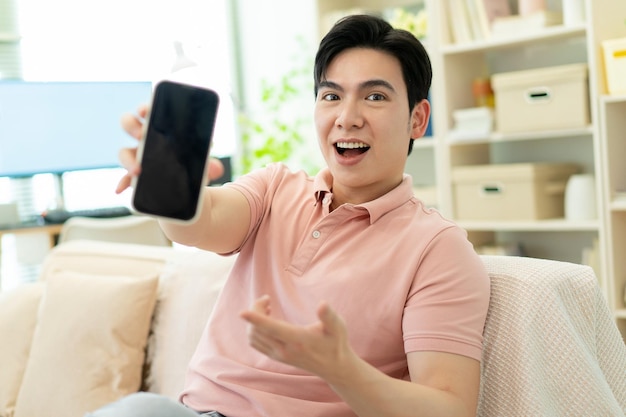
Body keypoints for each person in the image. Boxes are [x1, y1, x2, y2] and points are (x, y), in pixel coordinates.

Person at [89, 13, 490, 417]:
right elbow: (202, 222)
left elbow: (450, 408)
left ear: (417, 119)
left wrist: (341, 370)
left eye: (374, 97)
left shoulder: (438, 248)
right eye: (331, 96)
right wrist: (175, 185)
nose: (346, 117)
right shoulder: (275, 187)